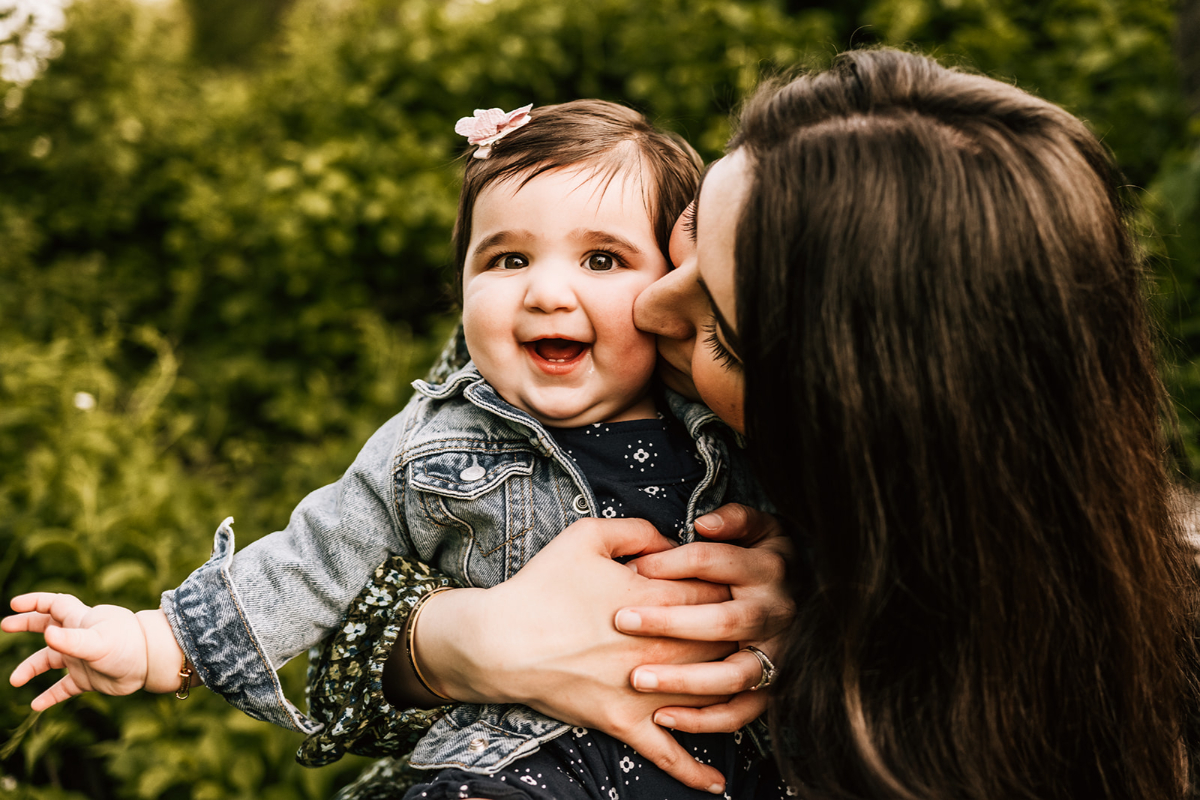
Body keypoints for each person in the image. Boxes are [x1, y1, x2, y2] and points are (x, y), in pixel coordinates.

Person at [311, 48, 1200, 799]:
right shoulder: (560, 356)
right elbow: (339, 643)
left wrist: (813, 629)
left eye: (719, 336)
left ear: (845, 434)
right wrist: (454, 643)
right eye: (688, 237)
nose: (652, 306)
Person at [2, 100, 790, 796]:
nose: (548, 292)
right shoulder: (433, 441)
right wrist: (154, 641)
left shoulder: (724, 416)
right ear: (460, 291)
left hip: (739, 766)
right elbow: (312, 560)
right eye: (507, 259)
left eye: (602, 259)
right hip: (517, 766)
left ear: (670, 288)